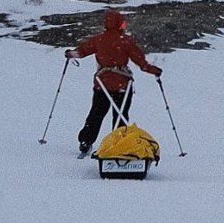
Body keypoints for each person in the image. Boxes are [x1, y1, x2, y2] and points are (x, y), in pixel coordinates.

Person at [67, 10, 162, 157]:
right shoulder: (125, 41)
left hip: (102, 84)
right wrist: (154, 70)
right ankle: (119, 144)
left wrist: (71, 54)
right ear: (120, 24)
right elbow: (141, 63)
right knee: (120, 115)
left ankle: (86, 141)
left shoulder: (99, 39)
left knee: (96, 113)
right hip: (122, 85)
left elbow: (82, 51)